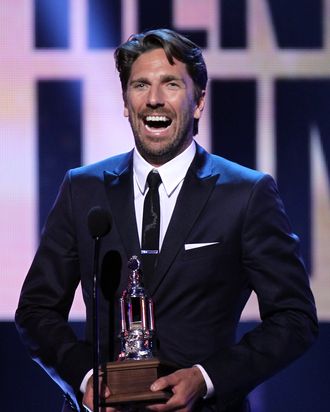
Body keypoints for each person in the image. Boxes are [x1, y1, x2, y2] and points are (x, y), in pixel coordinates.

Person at [15, 29, 318, 412]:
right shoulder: (83, 189)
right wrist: (86, 379)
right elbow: (36, 310)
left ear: (199, 101)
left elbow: (294, 318)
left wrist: (207, 379)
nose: (154, 99)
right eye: (140, 85)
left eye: (171, 84)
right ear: (126, 101)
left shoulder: (246, 194)